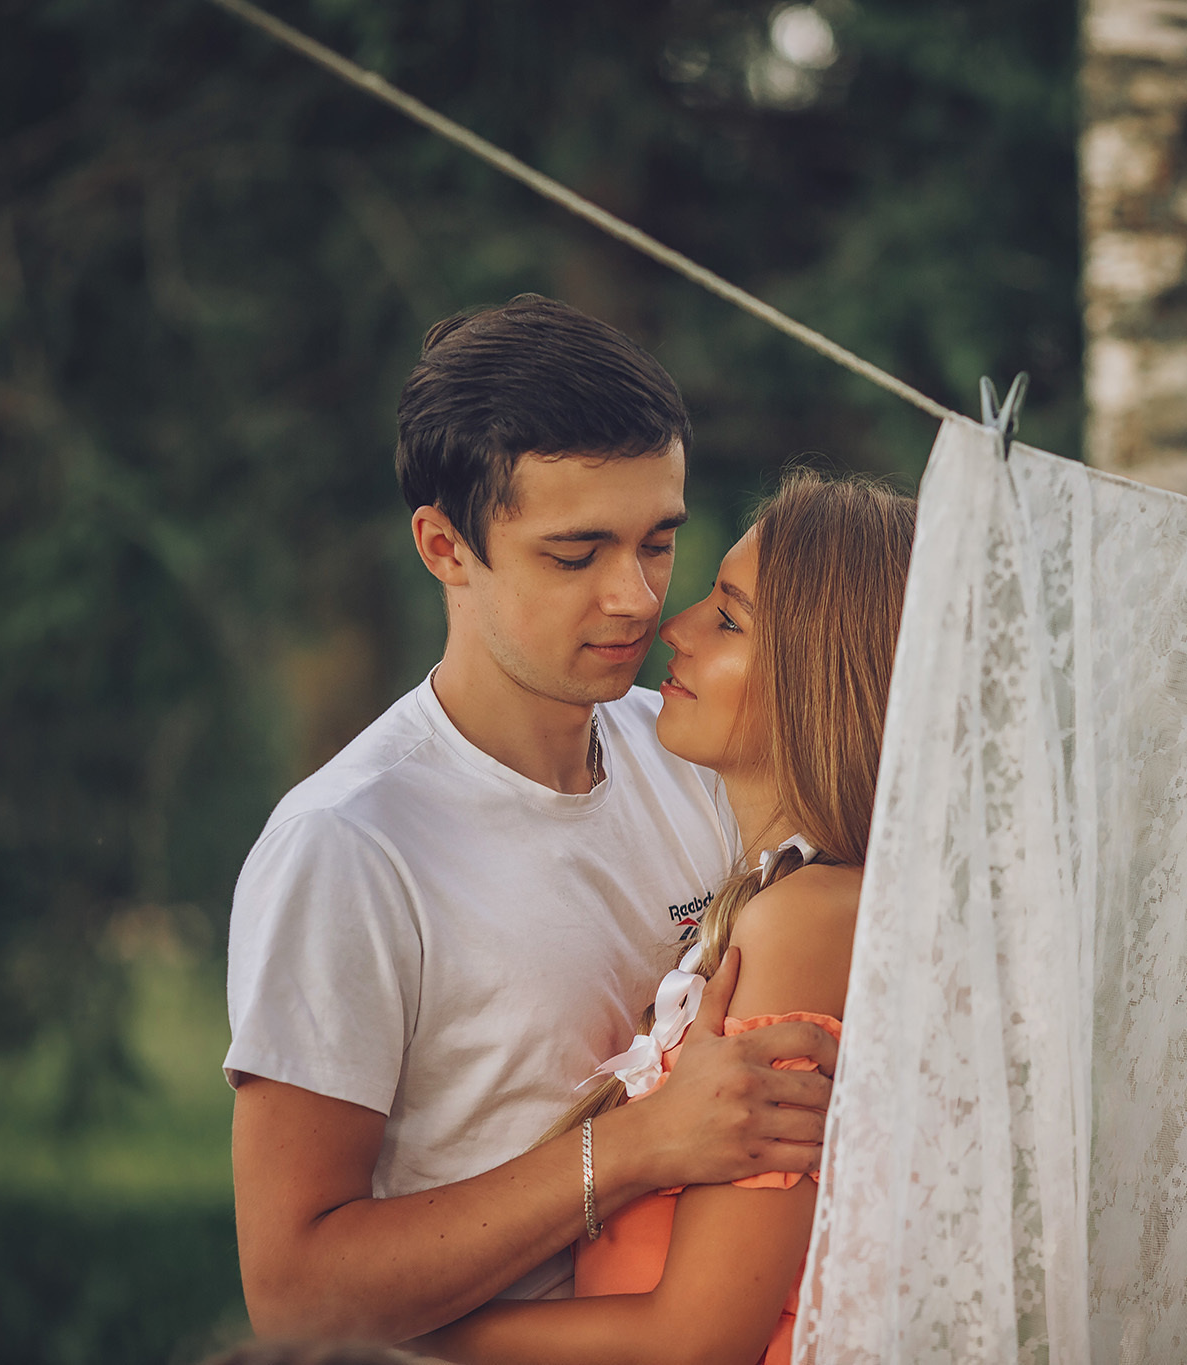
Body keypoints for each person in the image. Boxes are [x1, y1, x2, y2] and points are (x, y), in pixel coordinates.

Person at [225, 296, 842, 1345]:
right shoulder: (349, 844)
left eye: (658, 542)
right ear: (444, 546)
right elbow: (292, 1291)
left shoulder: (702, 753)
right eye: (575, 554)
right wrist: (638, 1146)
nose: (636, 598)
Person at [411, 470, 916, 1365]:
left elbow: (696, 1339)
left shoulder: (806, 921)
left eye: (729, 619)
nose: (670, 625)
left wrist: (409, 1336)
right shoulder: (794, 895)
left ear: (822, 675)